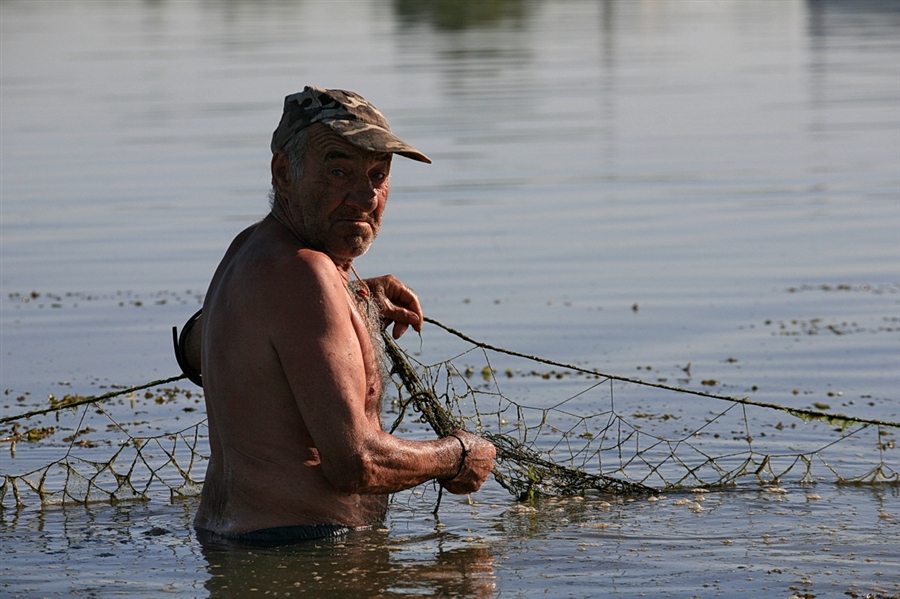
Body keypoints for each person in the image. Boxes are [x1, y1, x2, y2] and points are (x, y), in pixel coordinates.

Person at [177, 86, 496, 544]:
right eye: (339, 171)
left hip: (234, 543)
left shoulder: (251, 251)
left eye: (377, 174)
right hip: (302, 552)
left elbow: (199, 349)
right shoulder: (304, 275)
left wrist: (356, 300)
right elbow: (355, 463)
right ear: (284, 173)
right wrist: (458, 455)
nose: (365, 197)